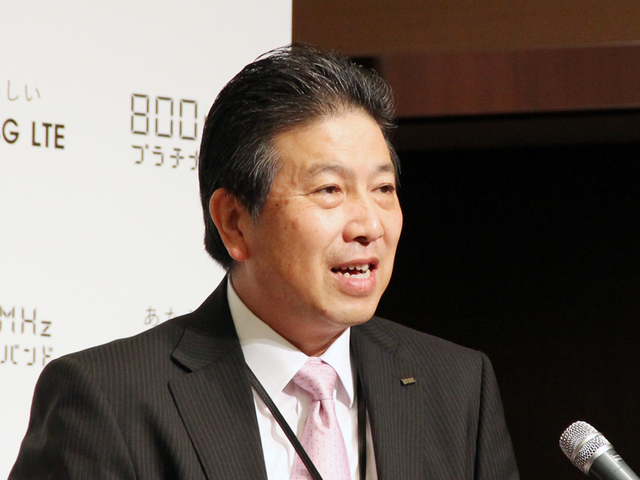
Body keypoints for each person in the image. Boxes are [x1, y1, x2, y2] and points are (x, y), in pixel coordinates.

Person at [10, 45, 519, 480]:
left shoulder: (456, 386)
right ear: (234, 222)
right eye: (329, 190)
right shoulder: (108, 400)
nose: (369, 224)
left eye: (383, 188)